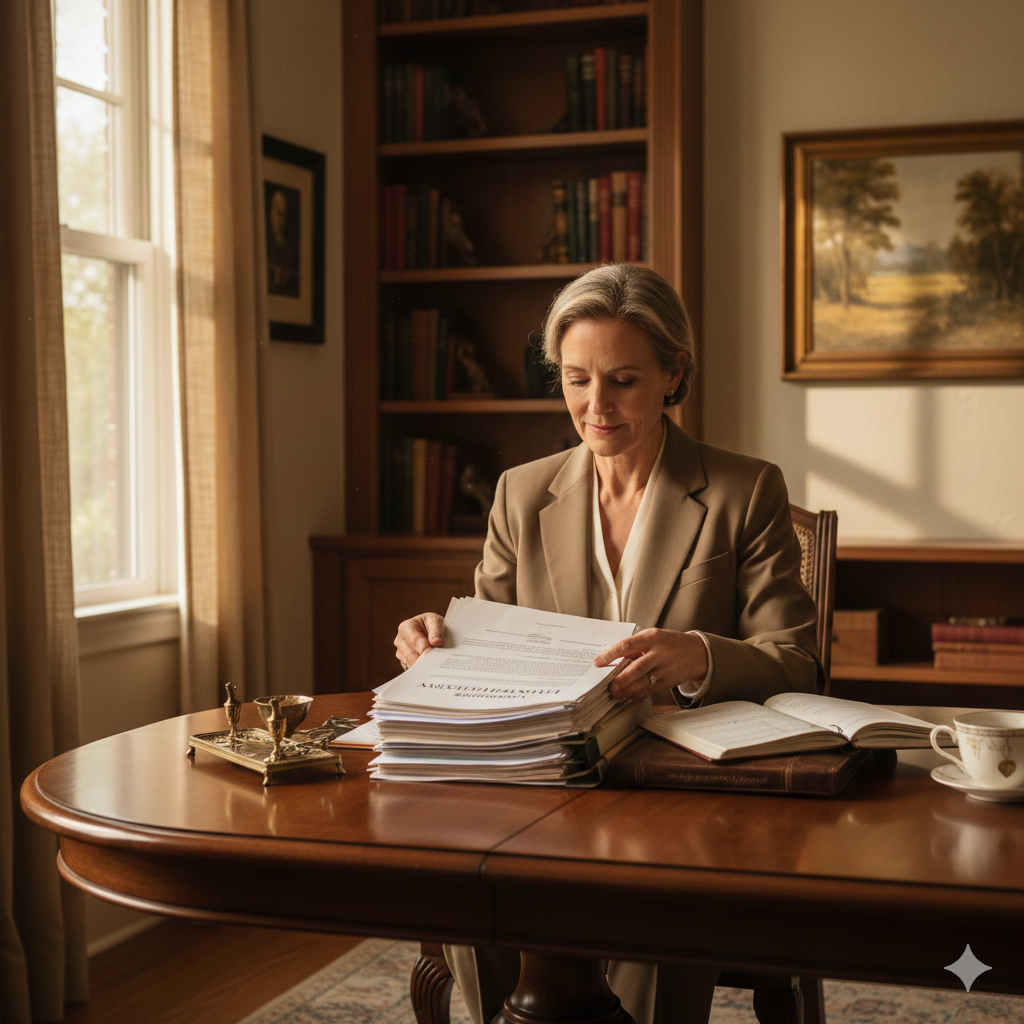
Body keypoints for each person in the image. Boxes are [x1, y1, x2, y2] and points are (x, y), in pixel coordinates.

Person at [393, 263, 821, 1024]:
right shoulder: (521, 493)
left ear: (673, 374)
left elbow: (797, 660)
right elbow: (485, 638)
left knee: (647, 901)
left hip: (677, 792)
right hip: (541, 778)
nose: (595, 407)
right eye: (576, 379)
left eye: (622, 380)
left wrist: (704, 655)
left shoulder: (743, 490)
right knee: (467, 873)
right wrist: (436, 639)